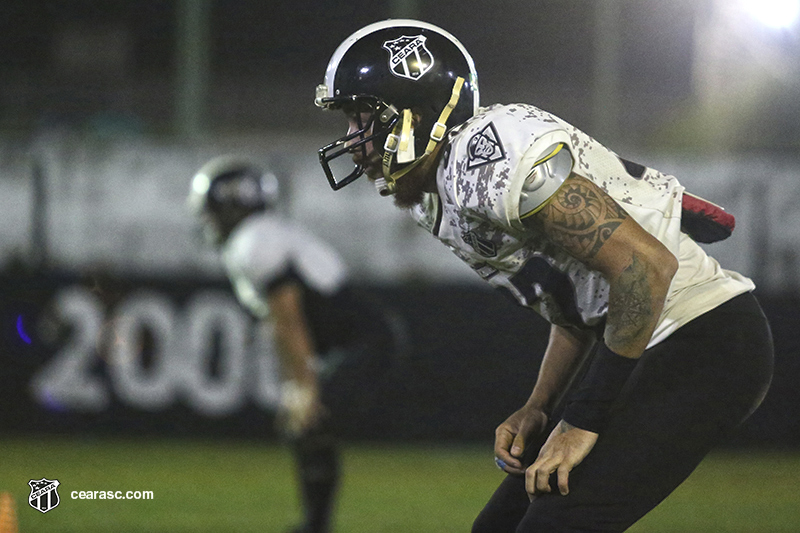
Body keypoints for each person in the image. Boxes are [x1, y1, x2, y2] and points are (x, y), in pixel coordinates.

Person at [313, 20, 774, 533]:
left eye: (364, 119)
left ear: (417, 116)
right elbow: (579, 304)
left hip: (704, 339)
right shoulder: (436, 193)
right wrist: (540, 406)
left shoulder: (487, 156)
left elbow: (644, 267)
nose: (354, 139)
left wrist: (582, 419)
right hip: (648, 343)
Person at [187, 156, 398, 533]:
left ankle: (315, 526)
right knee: (307, 427)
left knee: (311, 423)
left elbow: (289, 321)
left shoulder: (255, 241)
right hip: (351, 342)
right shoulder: (260, 236)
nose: (209, 220)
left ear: (231, 205)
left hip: (365, 342)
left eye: (213, 210)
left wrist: (303, 387)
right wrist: (297, 385)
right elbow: (282, 325)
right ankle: (314, 524)